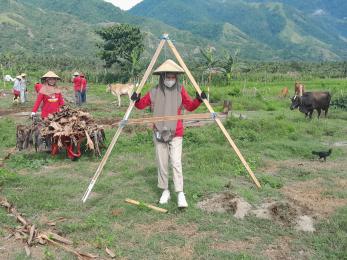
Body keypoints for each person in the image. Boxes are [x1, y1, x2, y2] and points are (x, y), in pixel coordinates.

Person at [131, 59, 206, 208]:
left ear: (176, 77)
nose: (170, 80)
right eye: (168, 77)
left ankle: (180, 193)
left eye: (173, 77)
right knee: (162, 163)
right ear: (162, 77)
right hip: (159, 131)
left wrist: (198, 99)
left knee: (176, 162)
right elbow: (141, 105)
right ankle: (165, 190)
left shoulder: (180, 90)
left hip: (176, 132)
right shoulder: (154, 91)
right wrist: (135, 100)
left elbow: (190, 106)